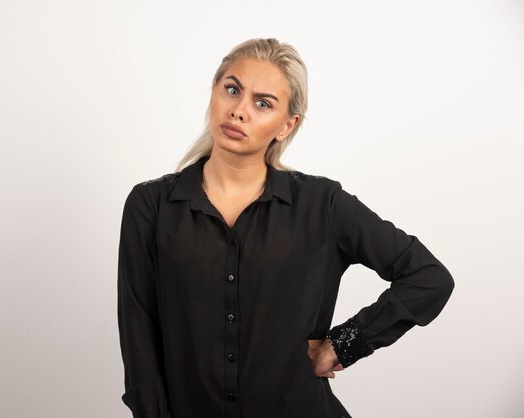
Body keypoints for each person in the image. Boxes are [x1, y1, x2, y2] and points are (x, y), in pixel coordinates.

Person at [117, 38, 454, 418]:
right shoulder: (151, 206)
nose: (239, 111)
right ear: (213, 93)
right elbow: (138, 336)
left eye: (263, 103)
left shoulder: (321, 204)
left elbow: (428, 277)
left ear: (287, 125)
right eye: (232, 90)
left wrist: (346, 343)